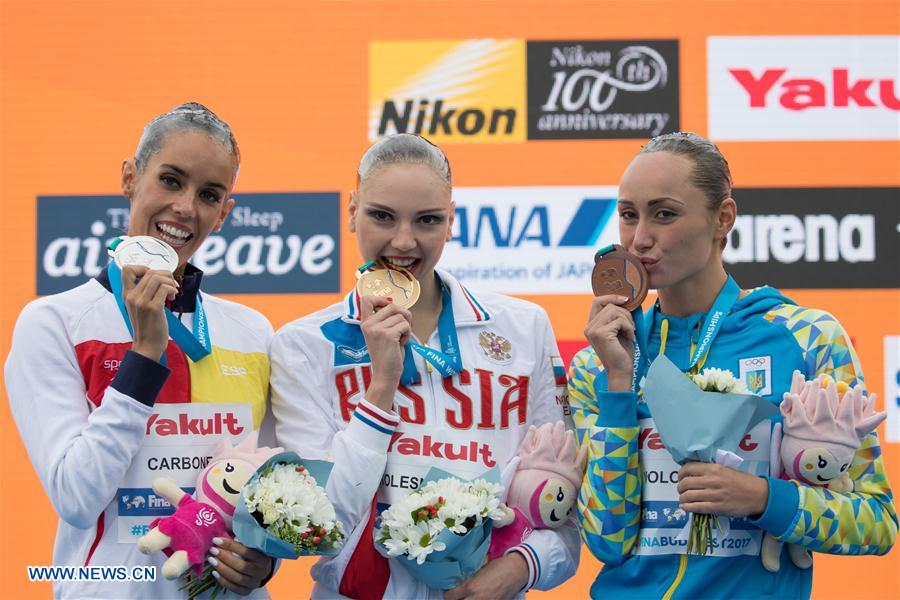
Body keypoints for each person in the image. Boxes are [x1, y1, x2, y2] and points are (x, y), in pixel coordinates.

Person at [569, 132, 897, 599]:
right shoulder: (597, 363)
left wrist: (763, 499)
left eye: (664, 214)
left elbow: (875, 522)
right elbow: (607, 540)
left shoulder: (808, 338)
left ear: (722, 219)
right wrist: (619, 386)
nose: (640, 239)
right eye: (628, 215)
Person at [270, 134, 579, 599]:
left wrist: (520, 568)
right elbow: (317, 521)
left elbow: (560, 503)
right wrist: (381, 387)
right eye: (382, 216)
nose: (404, 240)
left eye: (427, 219)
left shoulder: (524, 327)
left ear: (451, 221)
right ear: (351, 211)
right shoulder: (302, 344)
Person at [5, 103, 277, 598]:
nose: (186, 207)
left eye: (209, 194)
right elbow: (76, 497)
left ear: (223, 213)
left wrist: (262, 562)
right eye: (171, 180)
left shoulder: (252, 333)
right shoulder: (54, 323)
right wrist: (146, 355)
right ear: (130, 177)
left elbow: (271, 488)